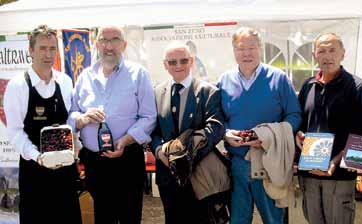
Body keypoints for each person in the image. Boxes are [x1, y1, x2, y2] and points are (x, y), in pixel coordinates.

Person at [69, 26, 157, 224]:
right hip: (95, 163)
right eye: (104, 40)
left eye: (115, 40)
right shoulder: (85, 76)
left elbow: (149, 116)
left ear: (124, 45)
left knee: (129, 217)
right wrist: (83, 118)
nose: (109, 46)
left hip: (127, 160)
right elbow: (72, 115)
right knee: (103, 218)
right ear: (97, 44)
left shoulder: (139, 74)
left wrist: (125, 140)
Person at [218, 27, 301, 224]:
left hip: (269, 162)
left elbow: (294, 115)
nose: (246, 53)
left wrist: (269, 136)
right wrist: (226, 133)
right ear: (233, 51)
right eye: (240, 48)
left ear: (260, 48)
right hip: (237, 164)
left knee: (273, 220)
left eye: (251, 47)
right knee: (238, 220)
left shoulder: (278, 78)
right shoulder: (224, 80)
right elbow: (216, 119)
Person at [4, 25, 82, 224]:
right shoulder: (18, 86)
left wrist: (76, 136)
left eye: (52, 48)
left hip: (65, 169)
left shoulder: (65, 81)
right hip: (35, 171)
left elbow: (69, 118)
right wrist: (38, 157)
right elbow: (14, 132)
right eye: (42, 48)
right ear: (30, 51)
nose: (48, 54)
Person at [295, 33, 362, 224]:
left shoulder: (357, 87)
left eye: (332, 50)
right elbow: (300, 124)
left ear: (343, 54)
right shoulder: (308, 86)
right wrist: (298, 134)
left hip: (340, 177)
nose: (327, 56)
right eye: (322, 51)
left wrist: (335, 162)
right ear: (315, 55)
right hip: (310, 174)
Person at [150, 42, 226, 224]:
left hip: (198, 174)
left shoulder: (209, 91)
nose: (178, 66)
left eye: (183, 61)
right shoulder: (156, 92)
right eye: (172, 62)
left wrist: (186, 156)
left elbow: (215, 128)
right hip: (167, 175)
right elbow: (153, 130)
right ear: (165, 65)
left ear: (191, 61)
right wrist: (159, 152)